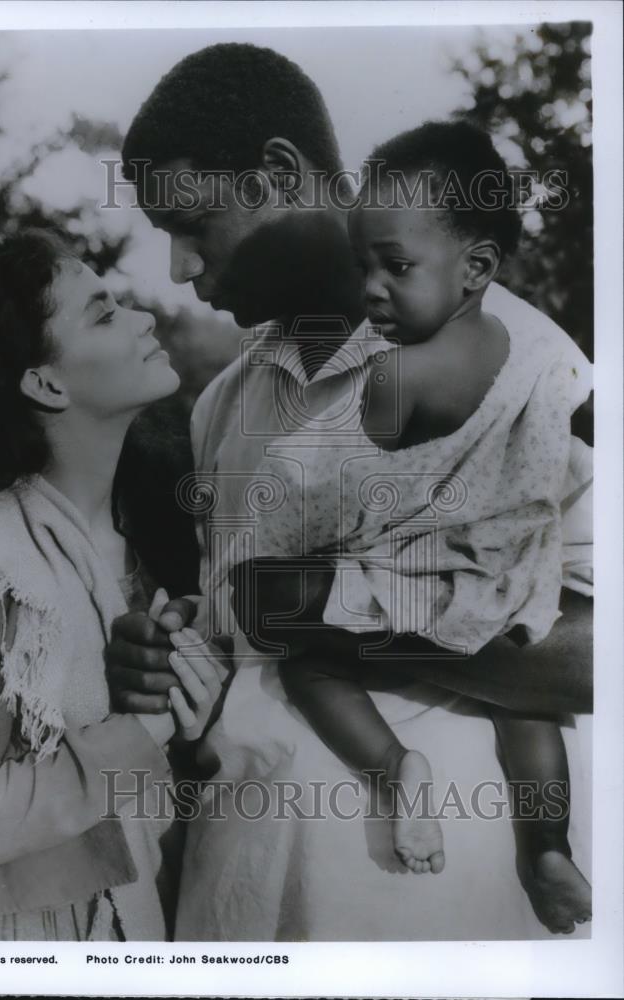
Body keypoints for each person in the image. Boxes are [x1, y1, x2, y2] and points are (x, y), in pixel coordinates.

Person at [109, 42, 593, 940]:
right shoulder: (223, 402)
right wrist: (169, 654)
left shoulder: (512, 363)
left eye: (189, 225)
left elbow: (593, 654)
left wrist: (332, 610)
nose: (178, 268)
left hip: (421, 915)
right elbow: (240, 635)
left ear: (278, 175)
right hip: (244, 900)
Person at [246, 120, 592, 927]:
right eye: (362, 264)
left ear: (475, 269)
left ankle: (396, 766)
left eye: (395, 267)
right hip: (513, 581)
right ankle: (547, 844)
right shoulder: (536, 355)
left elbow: (322, 497)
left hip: (413, 578)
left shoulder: (398, 375)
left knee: (300, 647)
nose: (371, 289)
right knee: (530, 711)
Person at [0, 228, 224, 941]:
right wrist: (142, 725)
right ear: (45, 382)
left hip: (135, 923)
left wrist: (191, 714)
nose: (145, 317)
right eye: (105, 313)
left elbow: (182, 777)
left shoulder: (166, 532)